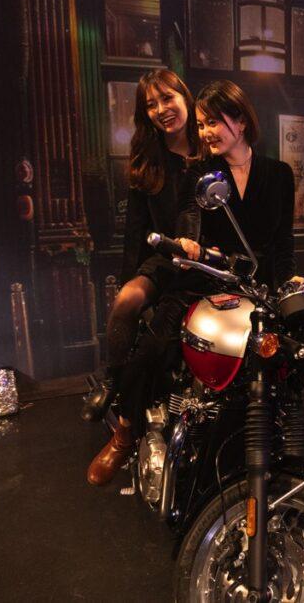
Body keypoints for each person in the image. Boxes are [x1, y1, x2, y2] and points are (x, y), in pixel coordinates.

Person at [86, 80, 299, 486]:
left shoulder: (279, 174)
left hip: (256, 288)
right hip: (206, 280)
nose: (206, 132)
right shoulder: (201, 173)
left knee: (288, 358)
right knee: (152, 349)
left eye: (213, 122)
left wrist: (289, 278)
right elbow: (190, 216)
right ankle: (125, 432)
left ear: (240, 121)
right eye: (201, 125)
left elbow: (283, 243)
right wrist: (190, 243)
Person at [81, 69, 207, 423]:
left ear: (185, 97)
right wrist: (130, 278)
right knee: (126, 300)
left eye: (167, 98)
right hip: (164, 257)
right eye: (151, 104)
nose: (161, 109)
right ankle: (111, 381)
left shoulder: (209, 149)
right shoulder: (147, 156)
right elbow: (134, 229)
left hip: (208, 260)